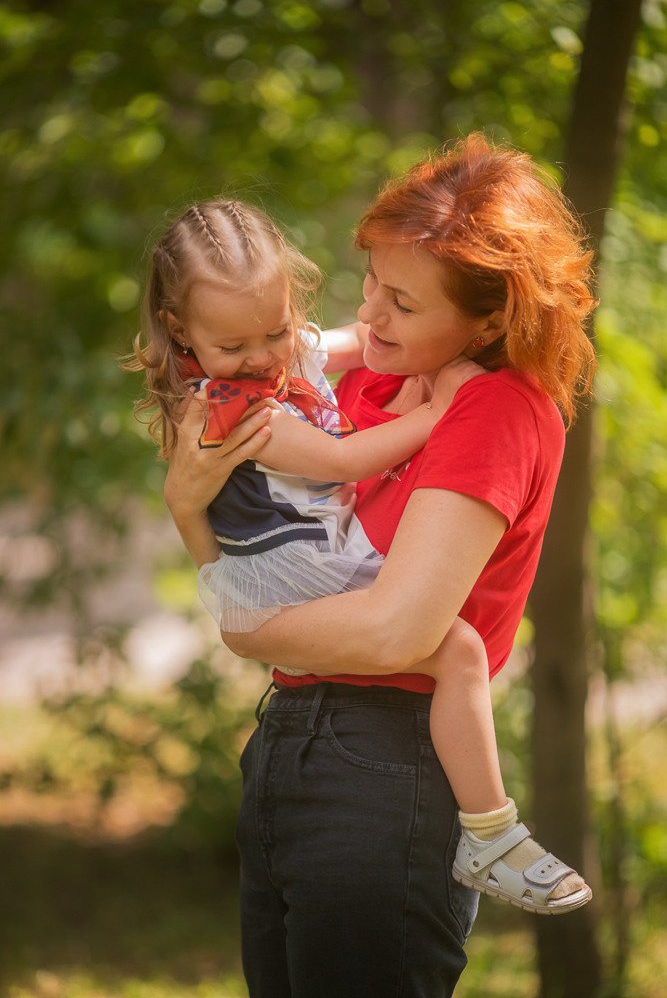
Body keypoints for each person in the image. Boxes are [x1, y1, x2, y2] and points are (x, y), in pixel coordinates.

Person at [155, 134, 598, 998]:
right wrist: (185, 511)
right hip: (285, 745)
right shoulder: (358, 384)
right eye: (371, 284)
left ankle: (494, 833)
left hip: (387, 762)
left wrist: (249, 633)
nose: (372, 317)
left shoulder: (493, 408)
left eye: (402, 300)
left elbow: (400, 630)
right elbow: (245, 543)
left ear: (488, 321)